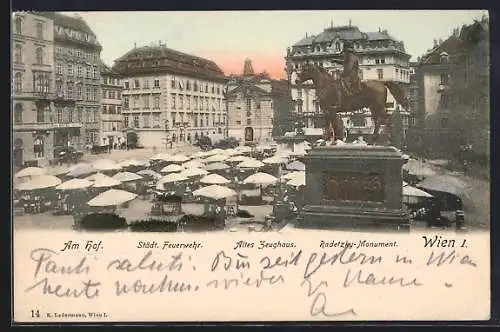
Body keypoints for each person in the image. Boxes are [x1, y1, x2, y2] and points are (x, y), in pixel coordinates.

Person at [331, 42, 362, 108]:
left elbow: (349, 67)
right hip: (350, 74)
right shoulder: (350, 56)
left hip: (351, 76)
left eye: (345, 51)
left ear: (347, 50)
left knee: (337, 85)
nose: (344, 53)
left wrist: (341, 74)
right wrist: (335, 61)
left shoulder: (351, 56)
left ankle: (339, 104)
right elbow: (345, 63)